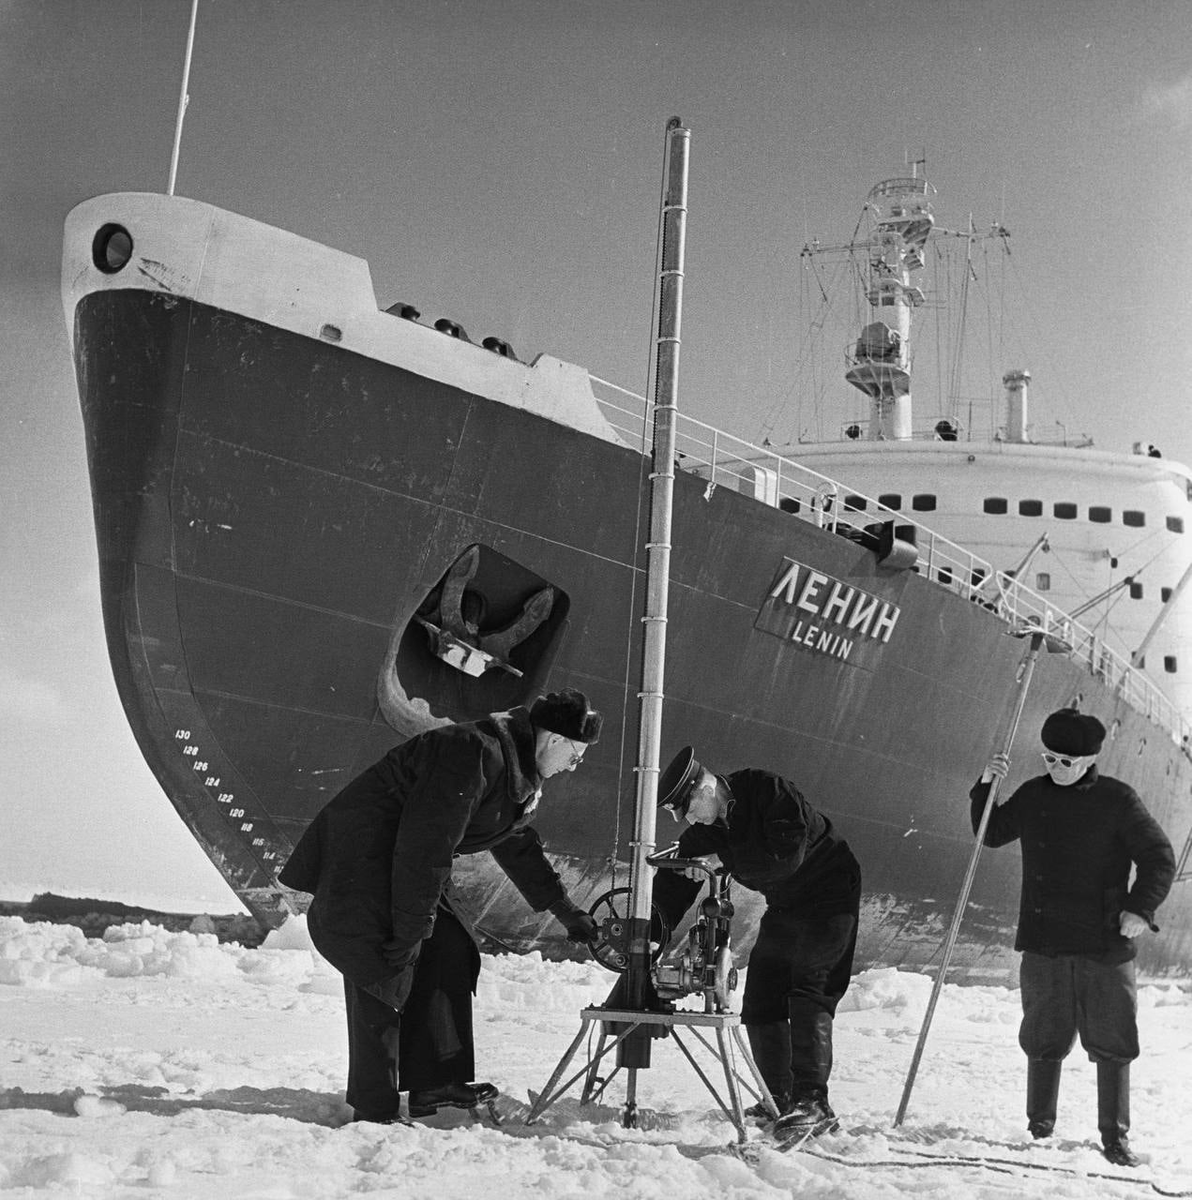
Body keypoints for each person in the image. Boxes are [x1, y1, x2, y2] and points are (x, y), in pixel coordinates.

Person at [278, 688, 603, 1124]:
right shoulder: (471, 752)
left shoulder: (511, 765)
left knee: (449, 945)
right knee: (383, 965)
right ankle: (374, 1109)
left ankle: (436, 1081)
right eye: (575, 756)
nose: (573, 766)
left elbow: (514, 840)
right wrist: (411, 930)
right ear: (555, 739)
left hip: (403, 860)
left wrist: (565, 909)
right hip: (364, 862)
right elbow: (425, 846)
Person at [972, 707, 1175, 1167]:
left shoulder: (1117, 800)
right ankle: (1039, 1128)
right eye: (1048, 759)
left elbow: (1159, 856)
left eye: (1066, 761)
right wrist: (986, 785)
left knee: (1113, 1040)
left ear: (1088, 760)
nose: (1056, 768)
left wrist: (1140, 908)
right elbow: (991, 833)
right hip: (1044, 938)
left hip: (1104, 940)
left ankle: (1114, 1138)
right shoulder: (1032, 795)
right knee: (1043, 1035)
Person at [651, 745, 862, 1139]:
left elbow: (786, 855)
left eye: (688, 809)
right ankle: (778, 1098)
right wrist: (649, 938)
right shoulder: (706, 832)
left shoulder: (768, 790)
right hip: (787, 903)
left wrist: (724, 859)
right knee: (762, 998)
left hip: (831, 893)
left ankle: (813, 1103)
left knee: (810, 989)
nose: (689, 819)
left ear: (706, 788)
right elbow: (676, 881)